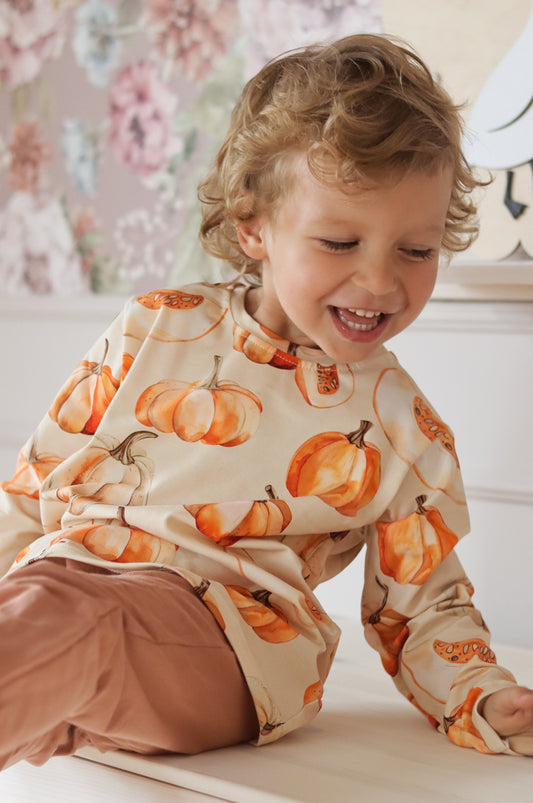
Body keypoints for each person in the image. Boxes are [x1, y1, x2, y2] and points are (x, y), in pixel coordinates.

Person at [1, 33, 532, 770]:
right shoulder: (157, 323)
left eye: (415, 250)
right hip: (65, 589)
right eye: (339, 241)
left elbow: (423, 608)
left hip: (227, 643)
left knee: (70, 625)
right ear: (253, 225)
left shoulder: (397, 425)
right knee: (42, 616)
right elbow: (35, 490)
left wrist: (478, 693)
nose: (380, 282)